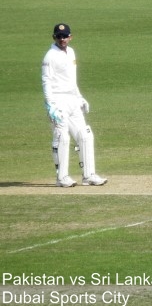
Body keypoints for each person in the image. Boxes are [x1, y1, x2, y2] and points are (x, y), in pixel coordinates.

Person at [42, 23, 108, 187]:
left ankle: (89, 175)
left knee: (85, 135)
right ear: (54, 37)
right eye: (59, 36)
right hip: (58, 101)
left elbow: (71, 80)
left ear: (70, 37)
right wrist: (51, 105)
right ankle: (62, 178)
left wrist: (79, 97)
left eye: (65, 36)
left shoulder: (71, 52)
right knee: (62, 137)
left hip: (72, 100)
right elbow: (46, 81)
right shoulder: (50, 56)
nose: (62, 39)